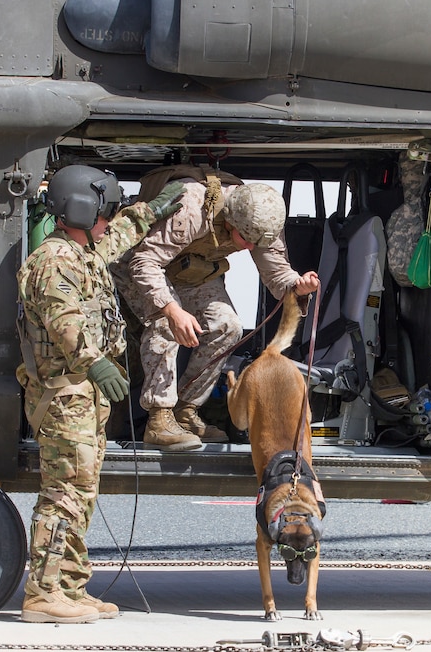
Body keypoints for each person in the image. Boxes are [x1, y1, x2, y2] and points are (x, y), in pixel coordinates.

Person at [16, 165, 184, 624]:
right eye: (105, 211)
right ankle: (43, 591)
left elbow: (119, 236)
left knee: (83, 493)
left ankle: (69, 586)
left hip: (84, 398)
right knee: (64, 493)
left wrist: (152, 209)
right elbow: (64, 320)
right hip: (64, 395)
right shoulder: (52, 261)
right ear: (84, 210)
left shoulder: (83, 252)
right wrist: (96, 362)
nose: (109, 220)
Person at [113, 165, 320, 451]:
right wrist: (173, 310)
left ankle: (185, 411)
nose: (250, 248)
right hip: (141, 266)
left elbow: (276, 272)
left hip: (189, 271)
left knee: (228, 327)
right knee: (164, 325)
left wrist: (298, 285)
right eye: (245, 240)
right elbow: (144, 263)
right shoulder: (192, 207)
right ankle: (159, 419)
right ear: (228, 221)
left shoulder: (261, 222)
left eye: (255, 242)